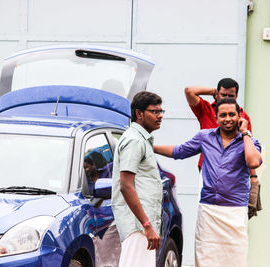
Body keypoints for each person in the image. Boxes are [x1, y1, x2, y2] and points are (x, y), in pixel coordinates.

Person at [154, 98, 262, 267]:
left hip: (235, 213)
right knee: (205, 260)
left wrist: (246, 133)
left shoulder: (250, 142)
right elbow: (179, 151)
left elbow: (253, 162)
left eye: (232, 114)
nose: (228, 118)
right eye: (223, 115)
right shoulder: (205, 137)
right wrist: (150, 146)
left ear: (240, 116)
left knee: (234, 261)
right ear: (216, 117)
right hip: (209, 212)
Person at [111, 91, 165, 267]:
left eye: (161, 111)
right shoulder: (134, 141)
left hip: (142, 225)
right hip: (137, 226)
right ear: (139, 114)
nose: (160, 116)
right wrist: (147, 225)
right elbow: (126, 186)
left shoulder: (142, 139)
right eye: (155, 112)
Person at [185, 78, 259, 185]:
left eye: (231, 96)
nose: (227, 99)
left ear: (236, 96)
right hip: (209, 170)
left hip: (235, 172)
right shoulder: (206, 109)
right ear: (217, 94)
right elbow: (189, 91)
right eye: (223, 95)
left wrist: (253, 176)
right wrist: (212, 91)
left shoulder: (243, 116)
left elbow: (248, 146)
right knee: (207, 202)